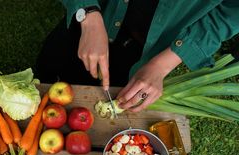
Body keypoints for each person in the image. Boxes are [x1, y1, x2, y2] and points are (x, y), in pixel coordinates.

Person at [36, 0, 239, 112]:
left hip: (147, 50)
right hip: (87, 19)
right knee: (45, 82)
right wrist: (87, 14)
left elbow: (229, 13)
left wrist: (162, 65)